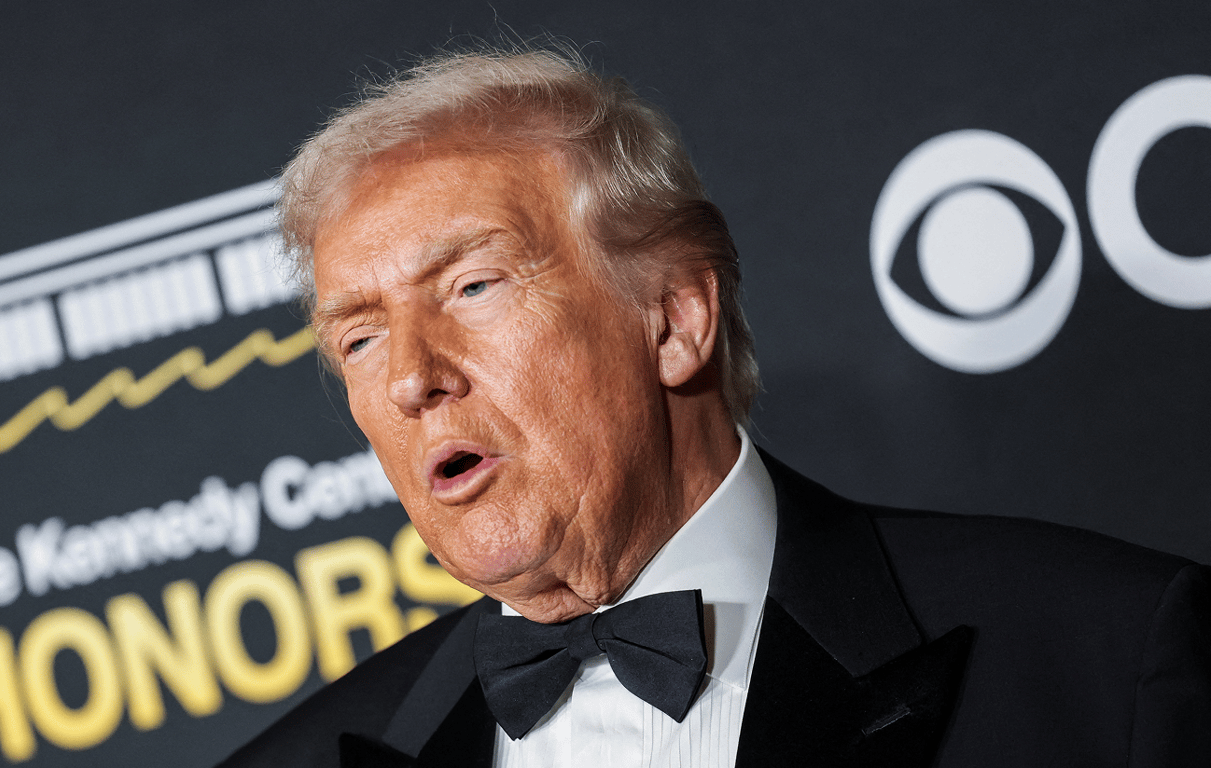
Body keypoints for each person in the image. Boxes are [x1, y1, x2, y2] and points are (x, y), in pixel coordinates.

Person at [219, 44, 1211, 767]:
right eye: (358, 338)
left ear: (675, 319)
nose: (408, 377)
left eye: (473, 286)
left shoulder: (1103, 658)